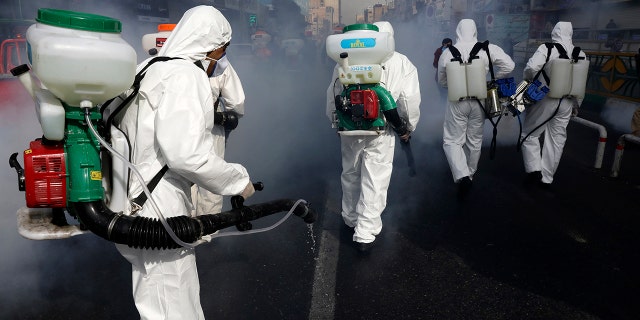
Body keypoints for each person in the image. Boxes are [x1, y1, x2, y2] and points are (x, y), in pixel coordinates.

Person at [115, 6, 255, 319]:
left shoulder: (147, 66)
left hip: (129, 199)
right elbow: (185, 154)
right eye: (222, 49)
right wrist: (237, 180)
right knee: (173, 301)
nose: (220, 57)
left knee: (156, 298)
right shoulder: (186, 76)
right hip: (158, 205)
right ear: (211, 44)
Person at [326, 21, 421, 252]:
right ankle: (365, 232)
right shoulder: (402, 61)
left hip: (349, 126)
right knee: (375, 177)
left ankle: (350, 218)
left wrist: (334, 121)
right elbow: (408, 100)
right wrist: (407, 128)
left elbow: (334, 94)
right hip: (383, 128)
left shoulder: (344, 57)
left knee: (350, 172)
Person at [437, 19, 515, 197]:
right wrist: (489, 80)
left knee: (452, 140)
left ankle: (461, 174)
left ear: (457, 31)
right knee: (474, 140)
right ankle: (469, 176)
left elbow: (441, 81)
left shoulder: (448, 52)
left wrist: (454, 84)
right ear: (474, 31)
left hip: (457, 102)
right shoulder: (488, 49)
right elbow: (509, 65)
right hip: (480, 101)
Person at [520, 21, 586, 187]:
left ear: (554, 33)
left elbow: (531, 67)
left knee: (529, 134)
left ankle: (534, 169)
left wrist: (529, 80)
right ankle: (546, 178)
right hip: (568, 102)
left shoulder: (547, 48)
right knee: (556, 140)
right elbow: (581, 81)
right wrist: (576, 105)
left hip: (545, 98)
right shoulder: (581, 54)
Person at [191, 40, 246, 216]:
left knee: (184, 176)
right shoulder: (219, 64)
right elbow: (236, 103)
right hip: (211, 127)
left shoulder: (168, 63)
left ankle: (184, 223)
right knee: (212, 175)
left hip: (178, 128)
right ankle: (208, 228)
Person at [433, 37, 452, 102]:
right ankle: (443, 108)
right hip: (440, 76)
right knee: (443, 94)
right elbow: (435, 64)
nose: (448, 46)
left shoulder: (453, 51)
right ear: (443, 44)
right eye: (447, 44)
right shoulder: (439, 51)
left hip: (450, 75)